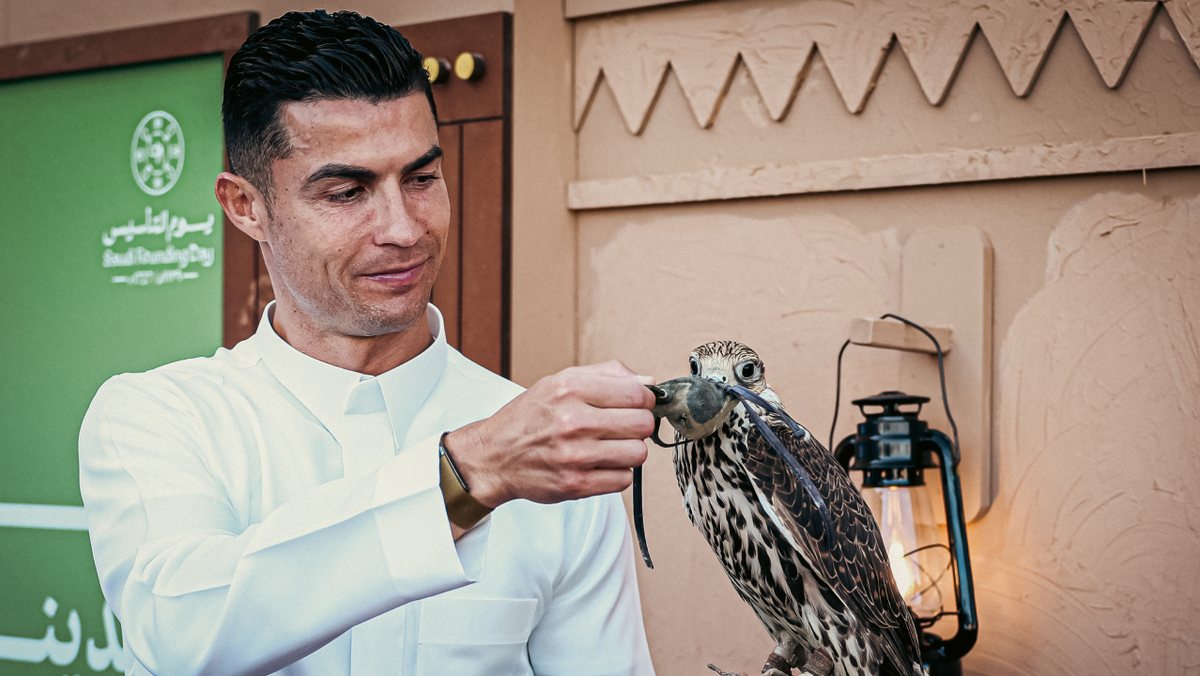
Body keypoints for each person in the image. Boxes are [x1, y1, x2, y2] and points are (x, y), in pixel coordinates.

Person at [78, 10, 658, 675]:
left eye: (421, 179)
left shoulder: (548, 456)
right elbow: (181, 631)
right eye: (347, 192)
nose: (403, 229)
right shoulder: (160, 417)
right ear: (246, 206)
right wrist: (466, 478)